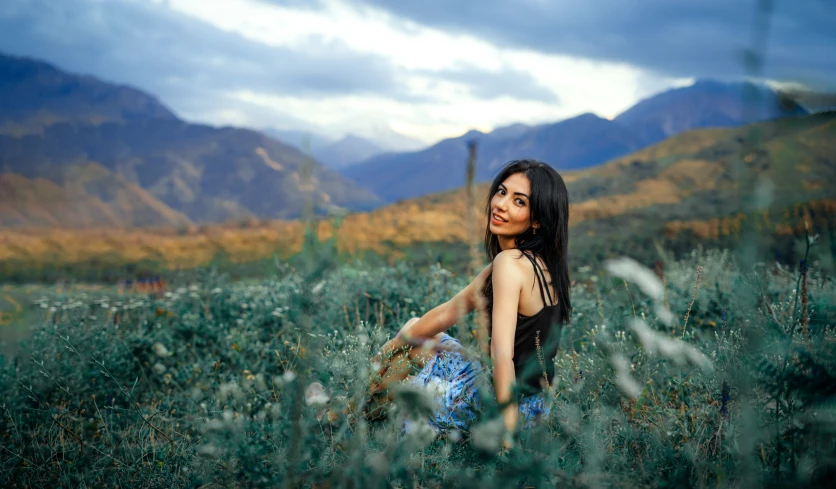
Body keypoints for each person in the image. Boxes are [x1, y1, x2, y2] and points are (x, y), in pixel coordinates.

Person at [365, 159, 572, 446]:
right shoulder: (534, 262)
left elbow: (503, 355)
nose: (500, 204)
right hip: (534, 403)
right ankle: (358, 412)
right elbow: (449, 312)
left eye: (519, 201)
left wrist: (507, 434)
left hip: (510, 403)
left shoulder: (509, 264)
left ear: (537, 220)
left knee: (408, 368)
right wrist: (386, 351)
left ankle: (356, 417)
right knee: (415, 334)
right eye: (501, 192)